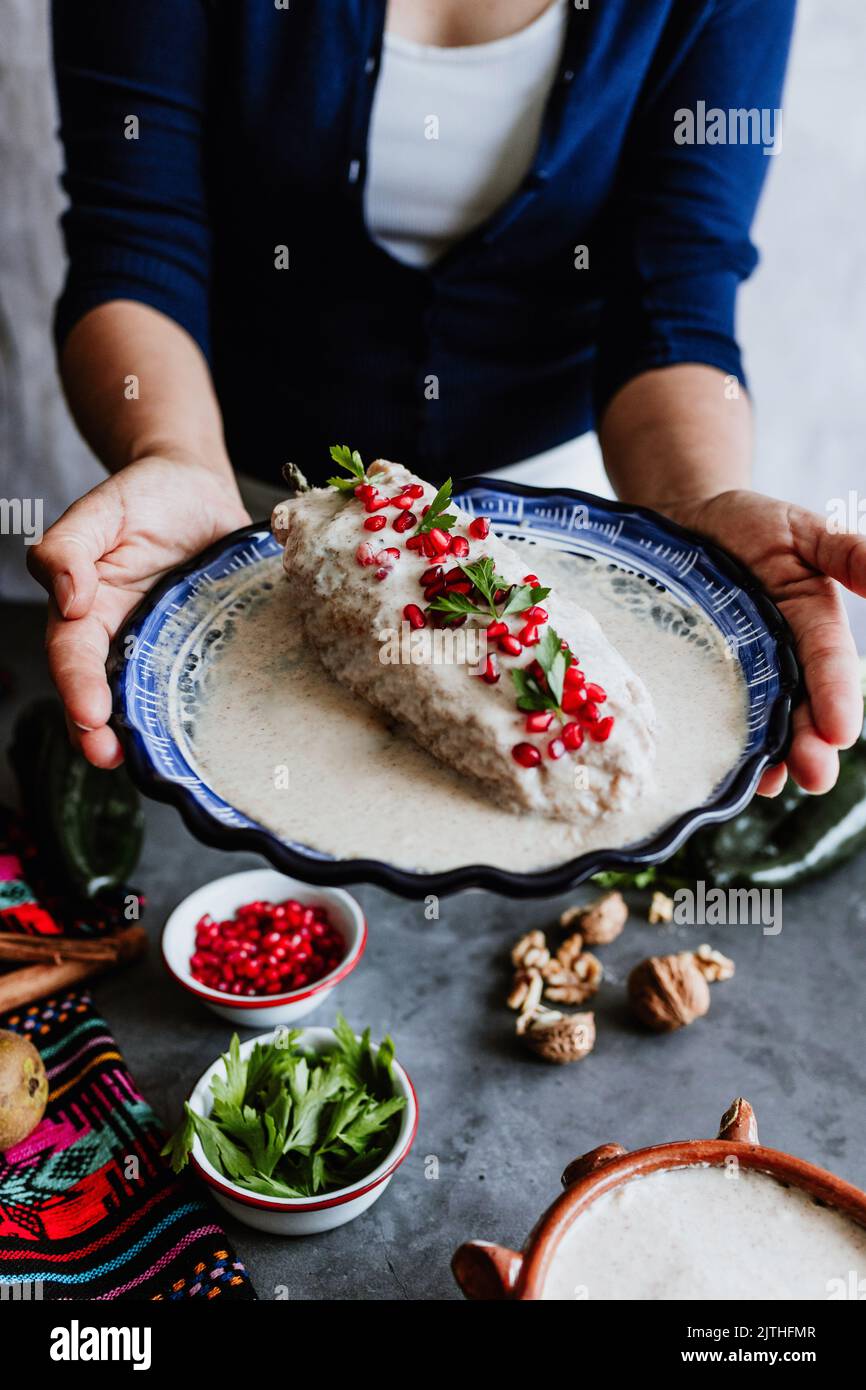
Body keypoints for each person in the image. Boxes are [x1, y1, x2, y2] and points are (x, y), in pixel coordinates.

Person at [30, 0, 865, 797]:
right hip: (236, 516)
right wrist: (171, 453)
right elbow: (137, 240)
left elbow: (676, 292)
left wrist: (691, 505)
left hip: (570, 518)